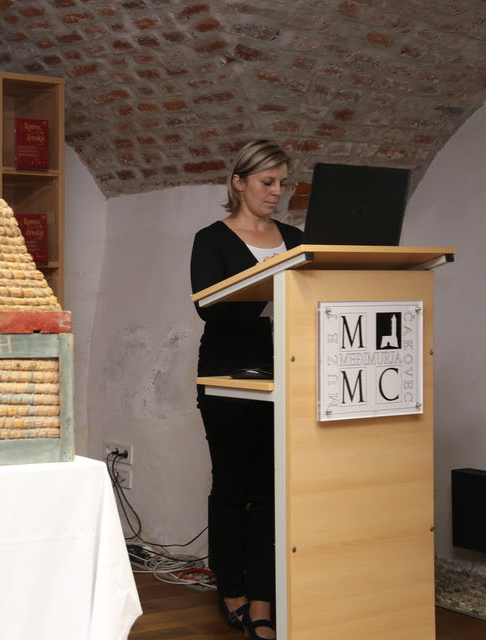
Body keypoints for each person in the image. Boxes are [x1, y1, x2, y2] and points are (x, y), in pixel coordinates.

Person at [190, 140, 302, 640]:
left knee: (271, 493)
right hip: (227, 377)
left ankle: (262, 600)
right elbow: (208, 308)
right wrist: (269, 283)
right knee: (233, 489)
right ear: (238, 182)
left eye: (282, 183)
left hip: (287, 376)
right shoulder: (211, 240)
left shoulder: (297, 238)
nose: (276, 192)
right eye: (267, 182)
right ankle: (231, 590)